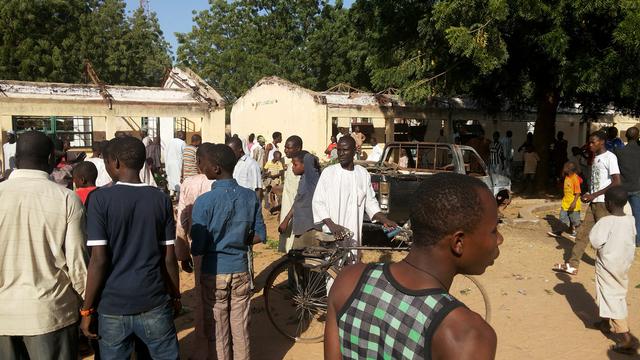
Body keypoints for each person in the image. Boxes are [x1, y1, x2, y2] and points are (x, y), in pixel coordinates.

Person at [324, 173, 501, 360]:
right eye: (493, 231)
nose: (500, 239)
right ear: (458, 242)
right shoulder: (467, 336)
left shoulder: (349, 280)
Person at [80, 137, 180, 359]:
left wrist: (87, 309)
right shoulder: (160, 198)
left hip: (113, 306)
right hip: (154, 301)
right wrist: (175, 295)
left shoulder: (99, 200)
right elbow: (168, 258)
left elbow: (98, 260)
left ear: (115, 162)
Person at [0, 131, 88, 359]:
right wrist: (87, 305)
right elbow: (78, 263)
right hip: (51, 314)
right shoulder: (67, 199)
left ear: (16, 159)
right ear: (51, 158)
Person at [190, 144, 266, 360]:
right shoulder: (250, 197)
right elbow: (260, 234)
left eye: (202, 162)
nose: (199, 165)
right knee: (241, 328)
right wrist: (239, 239)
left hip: (214, 273)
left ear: (215, 168)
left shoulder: (204, 202)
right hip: (241, 270)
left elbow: (199, 247)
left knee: (218, 329)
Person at [313, 136, 397, 261]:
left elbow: (370, 202)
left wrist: (384, 219)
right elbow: (318, 202)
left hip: (353, 234)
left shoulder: (362, 174)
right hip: (333, 232)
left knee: (352, 269)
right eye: (339, 149)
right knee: (332, 272)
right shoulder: (328, 173)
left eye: (345, 150)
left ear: (355, 151)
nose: (341, 153)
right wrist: (332, 225)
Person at [554, 131, 620, 275]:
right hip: (593, 203)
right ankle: (573, 265)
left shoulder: (610, 157)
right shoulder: (596, 158)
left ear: (602, 142)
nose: (590, 145)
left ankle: (610, 267)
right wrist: (588, 195)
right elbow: (598, 182)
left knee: (605, 238)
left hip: (604, 204)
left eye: (593, 142)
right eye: (589, 142)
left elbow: (616, 181)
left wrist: (594, 195)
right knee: (582, 234)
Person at [175, 144, 215, 360]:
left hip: (197, 247)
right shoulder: (221, 181)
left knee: (202, 298)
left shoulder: (189, 184)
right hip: (221, 248)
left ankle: (202, 351)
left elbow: (182, 219)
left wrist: (182, 253)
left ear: (198, 162)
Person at [590, 186, 638, 354]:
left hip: (607, 265)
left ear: (608, 203)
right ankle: (604, 322)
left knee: (610, 296)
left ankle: (626, 339)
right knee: (612, 292)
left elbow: (595, 242)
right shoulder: (631, 220)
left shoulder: (606, 222)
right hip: (623, 265)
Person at [279, 151, 323, 248]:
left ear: (306, 165)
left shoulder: (311, 178)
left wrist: (303, 154)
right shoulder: (303, 179)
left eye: (295, 164)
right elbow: (298, 202)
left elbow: (309, 159)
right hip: (301, 229)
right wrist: (286, 220)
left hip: (310, 230)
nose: (292, 167)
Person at [615, 127, 640, 246]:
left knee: (618, 214)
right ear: (638, 137)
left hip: (622, 188)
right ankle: (638, 240)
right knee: (638, 215)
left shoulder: (619, 152)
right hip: (637, 187)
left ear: (626, 137)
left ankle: (617, 238)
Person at [278, 136, 302, 252]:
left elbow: (300, 197)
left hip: (295, 215)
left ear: (298, 148)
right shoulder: (290, 167)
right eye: (285, 147)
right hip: (287, 212)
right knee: (288, 248)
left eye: (289, 148)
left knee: (295, 247)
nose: (285, 150)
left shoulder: (301, 170)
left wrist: (287, 219)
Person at [547, 162, 582, 238]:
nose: (564, 168)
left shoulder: (574, 178)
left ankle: (578, 233)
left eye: (565, 167)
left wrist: (574, 203)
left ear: (569, 169)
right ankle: (559, 232)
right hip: (566, 202)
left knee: (575, 219)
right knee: (562, 217)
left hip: (573, 203)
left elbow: (578, 192)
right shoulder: (567, 177)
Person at [227, 136, 263, 201]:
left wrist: (256, 209)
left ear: (240, 149)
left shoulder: (251, 164)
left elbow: (258, 189)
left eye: (232, 151)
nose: (229, 154)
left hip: (247, 203)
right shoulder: (233, 163)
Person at [165, 131, 186, 198]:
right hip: (178, 163)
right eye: (184, 135)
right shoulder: (182, 143)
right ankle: (178, 196)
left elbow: (165, 153)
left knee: (171, 178)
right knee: (178, 178)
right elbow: (185, 154)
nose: (185, 137)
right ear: (180, 135)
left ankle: (171, 193)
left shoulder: (169, 142)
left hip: (169, 163)